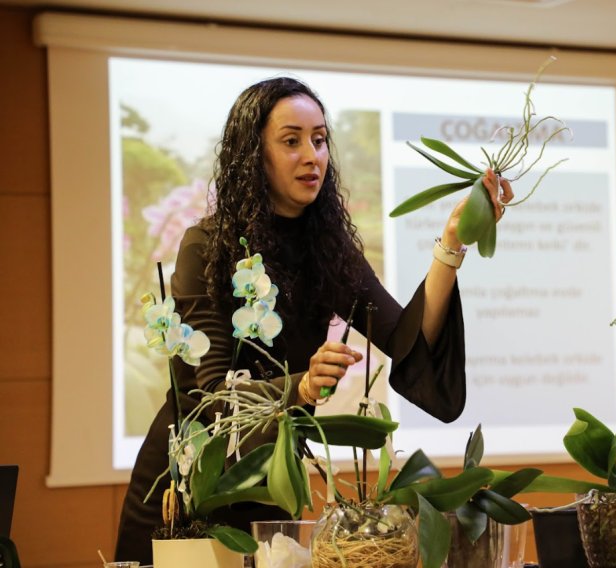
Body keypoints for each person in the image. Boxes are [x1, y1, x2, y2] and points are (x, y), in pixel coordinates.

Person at [114, 76, 513, 561]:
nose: (312, 155)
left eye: (320, 139)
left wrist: (452, 242)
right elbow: (213, 396)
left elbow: (411, 342)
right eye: (291, 141)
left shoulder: (329, 252)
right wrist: (301, 388)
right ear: (253, 154)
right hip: (188, 493)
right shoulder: (207, 247)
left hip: (270, 490)